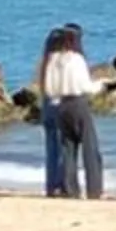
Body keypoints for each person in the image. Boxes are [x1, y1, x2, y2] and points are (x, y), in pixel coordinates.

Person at [42, 21, 104, 200]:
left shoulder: (53, 60)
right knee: (90, 148)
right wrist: (100, 85)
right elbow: (84, 85)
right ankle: (94, 189)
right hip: (77, 103)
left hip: (60, 104)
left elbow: (49, 88)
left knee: (67, 149)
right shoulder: (76, 59)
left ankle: (70, 188)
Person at [36, 26, 66, 198]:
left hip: (47, 105)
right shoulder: (60, 62)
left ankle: (50, 185)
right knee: (62, 147)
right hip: (57, 104)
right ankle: (60, 184)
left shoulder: (44, 62)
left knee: (51, 148)